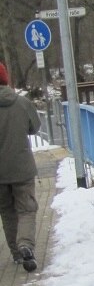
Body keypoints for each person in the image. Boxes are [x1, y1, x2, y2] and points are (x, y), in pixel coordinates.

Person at [0, 62, 41, 272]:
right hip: (22, 167)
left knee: (7, 211)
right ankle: (26, 244)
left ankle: (16, 253)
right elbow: (35, 127)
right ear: (6, 79)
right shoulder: (21, 103)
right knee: (26, 209)